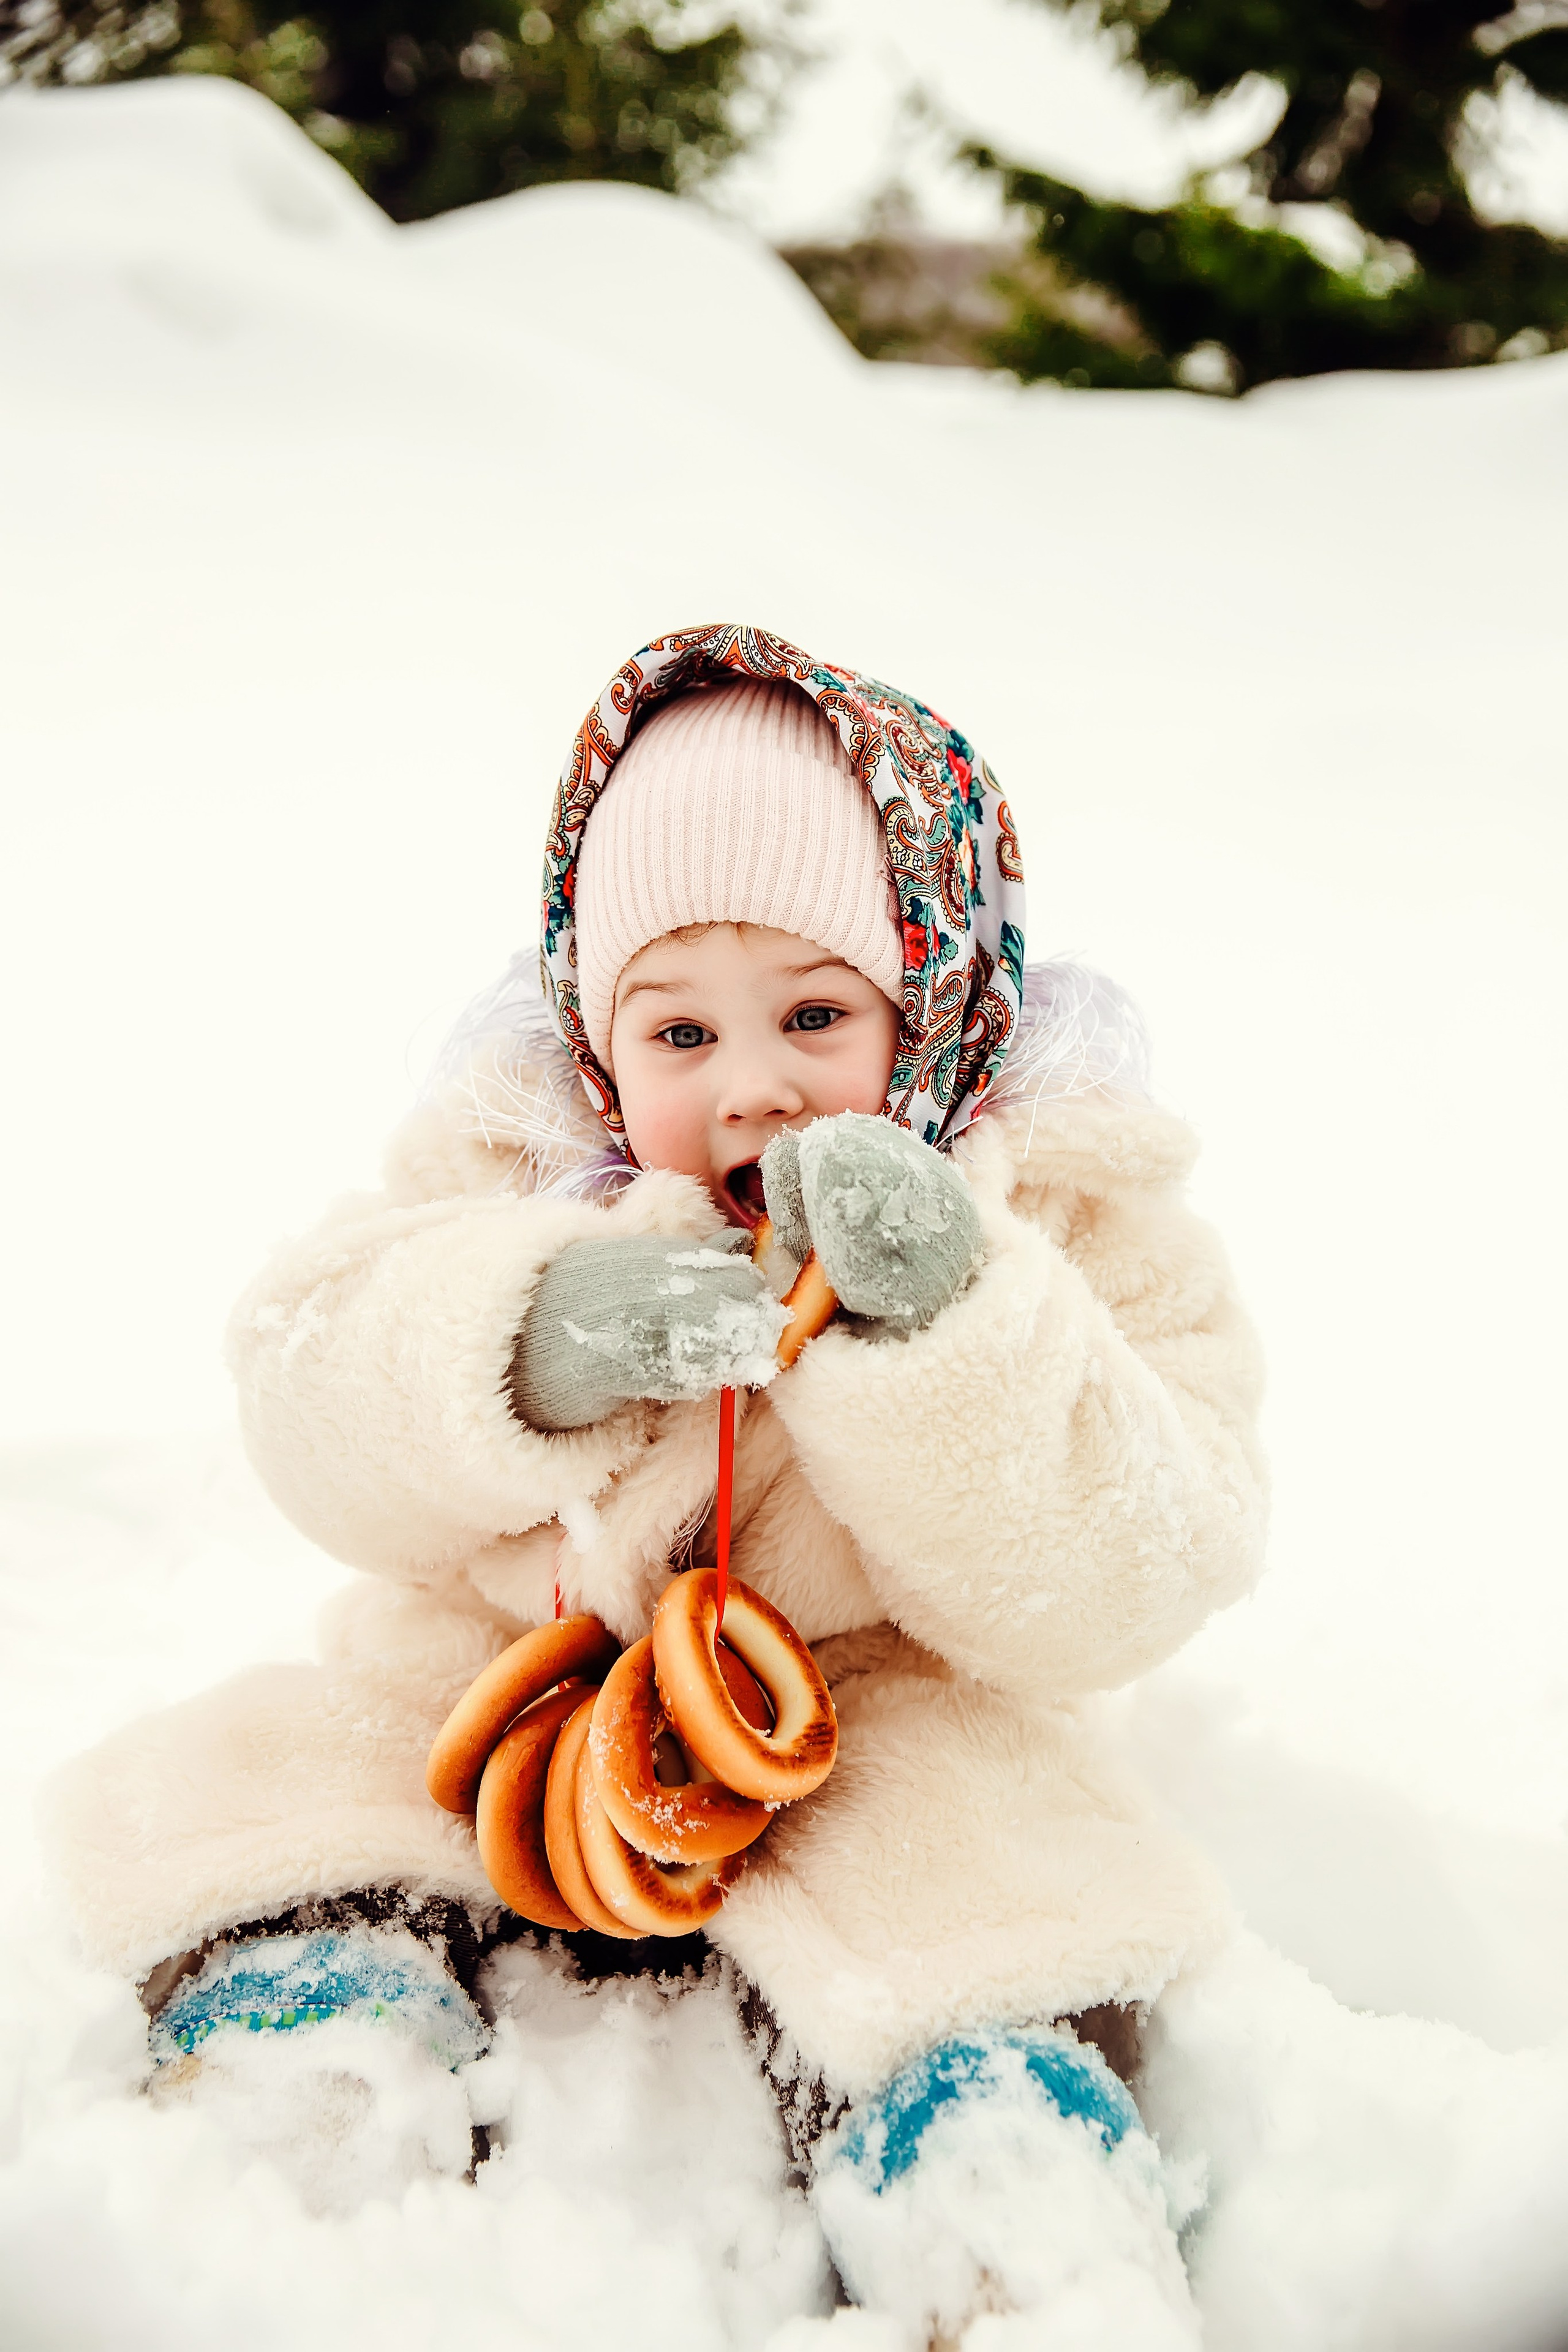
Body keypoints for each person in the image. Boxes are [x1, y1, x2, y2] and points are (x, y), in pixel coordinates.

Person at [48, 623, 1266, 2343]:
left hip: (880, 1728)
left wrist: (955, 1324)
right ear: (593, 1026)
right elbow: (307, 1382)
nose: (746, 1086)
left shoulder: (1064, 1206)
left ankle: (1002, 2189)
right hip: (496, 1699)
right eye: (678, 1027)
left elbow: (1151, 1553)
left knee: (988, 1914)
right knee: (308, 1815)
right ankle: (301, 2072)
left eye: (818, 1014)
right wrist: (520, 1341)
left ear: (934, 994)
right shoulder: (511, 1156)